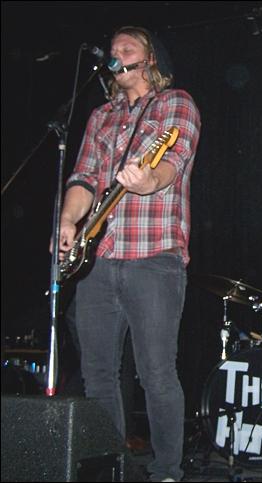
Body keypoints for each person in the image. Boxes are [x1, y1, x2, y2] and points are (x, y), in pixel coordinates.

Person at [54, 26, 200, 482]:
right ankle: (111, 469)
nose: (116, 54)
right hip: (98, 258)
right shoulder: (101, 116)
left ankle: (166, 472)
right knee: (98, 374)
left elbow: (171, 166)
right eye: (112, 50)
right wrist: (68, 221)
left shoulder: (176, 103)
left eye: (126, 47)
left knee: (155, 373)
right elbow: (84, 177)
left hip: (153, 255)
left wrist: (146, 181)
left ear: (150, 57)